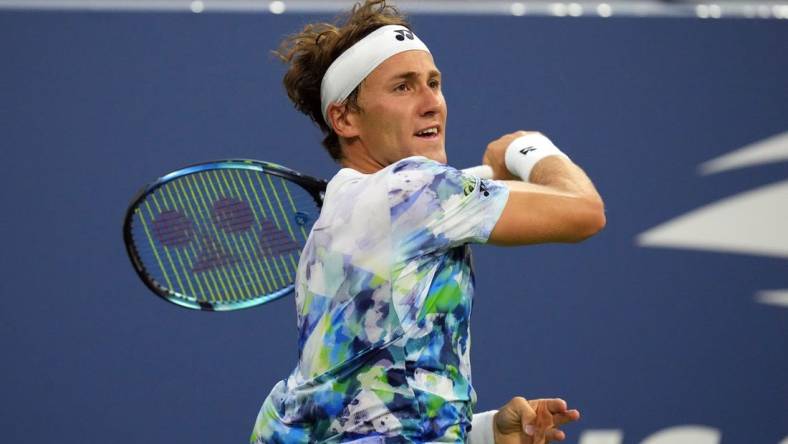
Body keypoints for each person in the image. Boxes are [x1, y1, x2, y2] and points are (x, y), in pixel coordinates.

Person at [250, 1, 604, 443]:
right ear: (344, 118)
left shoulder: (338, 221)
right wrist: (529, 148)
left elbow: (350, 408)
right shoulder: (411, 190)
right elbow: (583, 210)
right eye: (403, 87)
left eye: (433, 83)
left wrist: (486, 431)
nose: (431, 102)